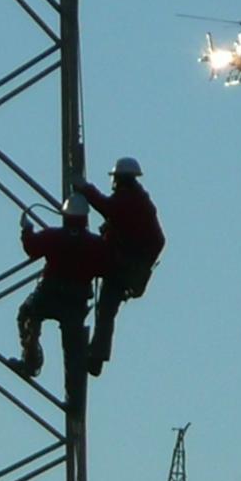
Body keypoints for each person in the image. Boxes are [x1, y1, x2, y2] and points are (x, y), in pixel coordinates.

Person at [76, 157, 165, 376]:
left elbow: (107, 207)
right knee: (106, 312)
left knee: (104, 308)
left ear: (120, 179)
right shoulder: (139, 201)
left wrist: (85, 189)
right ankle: (96, 355)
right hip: (125, 266)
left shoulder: (129, 200)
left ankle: (93, 352)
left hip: (120, 266)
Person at [7, 194, 108, 379]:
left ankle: (30, 361)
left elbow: (32, 247)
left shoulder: (54, 236)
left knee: (28, 315)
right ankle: (73, 396)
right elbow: (105, 267)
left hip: (49, 294)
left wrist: (27, 229)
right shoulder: (95, 244)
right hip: (75, 301)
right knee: (73, 351)